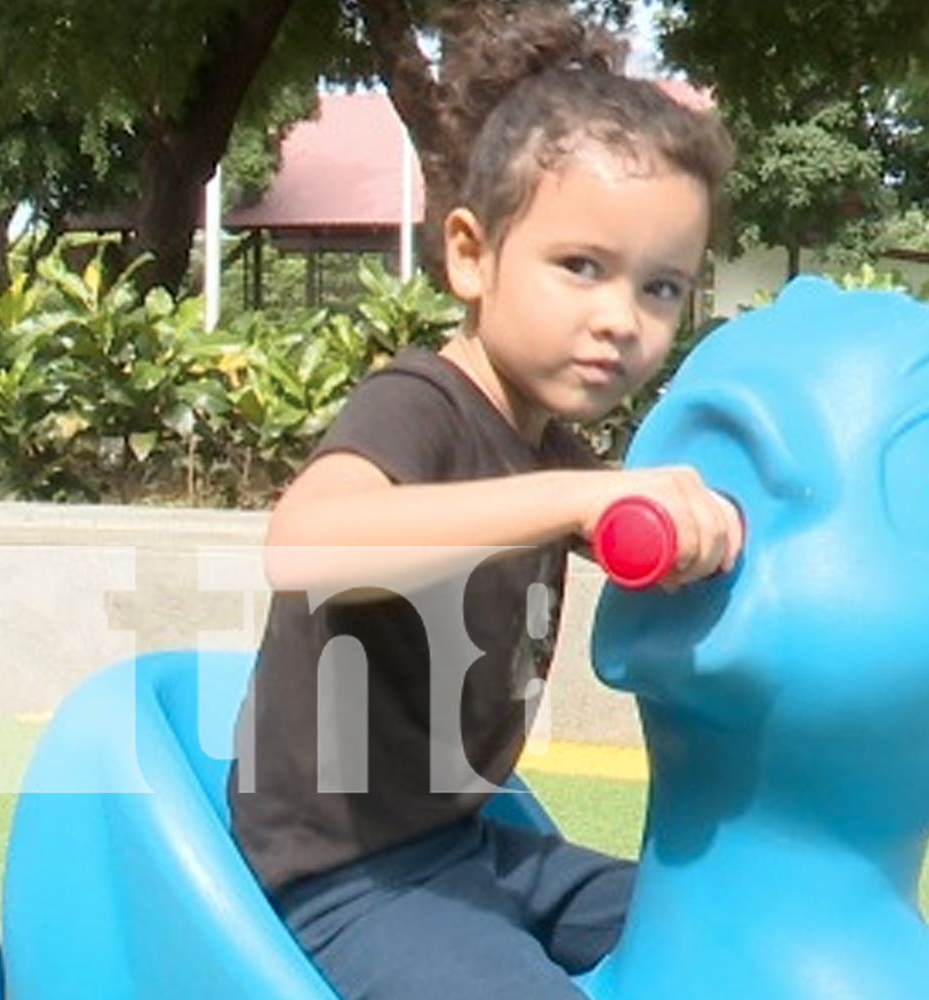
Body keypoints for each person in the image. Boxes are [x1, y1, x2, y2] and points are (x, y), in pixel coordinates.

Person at [226, 5, 740, 1000]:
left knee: (724, 921)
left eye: (662, 289)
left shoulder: (547, 442)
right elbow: (305, 542)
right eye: (580, 267)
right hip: (346, 874)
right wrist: (567, 499)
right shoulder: (418, 402)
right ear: (471, 253)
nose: (619, 321)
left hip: (471, 843)